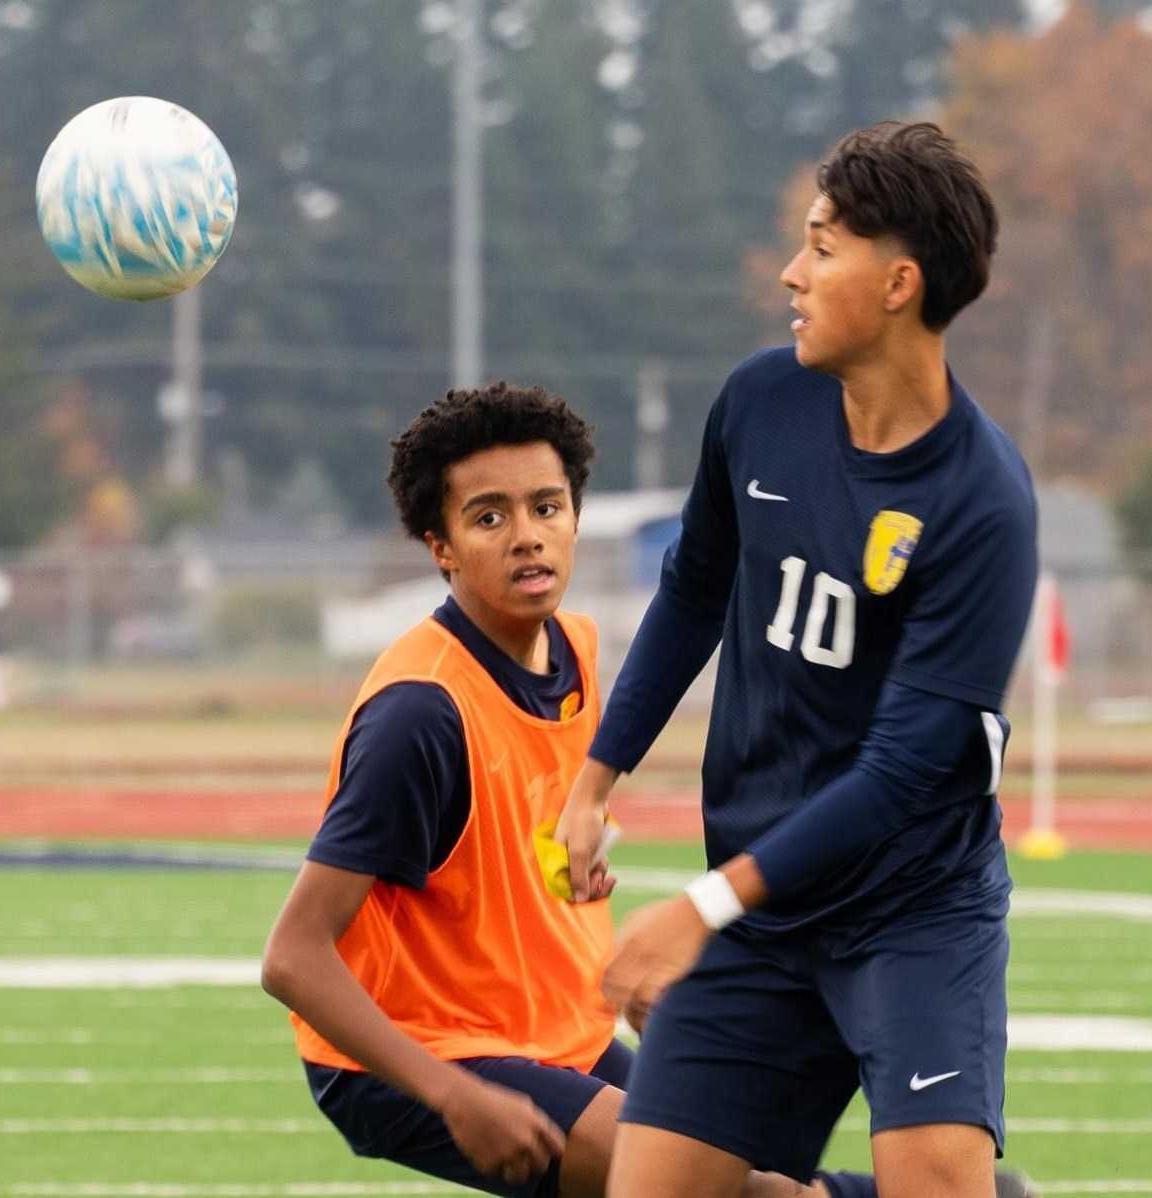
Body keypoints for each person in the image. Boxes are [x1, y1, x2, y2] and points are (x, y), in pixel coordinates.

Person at [260, 383, 932, 1198]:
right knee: (736, 1191)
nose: (526, 537)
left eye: (546, 507)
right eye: (488, 517)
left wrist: (572, 868)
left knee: (751, 1157)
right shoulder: (419, 714)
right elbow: (293, 958)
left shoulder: (571, 649)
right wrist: (456, 1095)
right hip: (417, 1058)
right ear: (440, 546)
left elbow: (505, 835)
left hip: (550, 1032)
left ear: (576, 515)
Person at [556, 121, 1040, 1198]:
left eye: (822, 247)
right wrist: (596, 779)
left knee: (940, 1186)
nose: (791, 271)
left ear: (899, 283)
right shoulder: (759, 402)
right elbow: (693, 593)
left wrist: (700, 906)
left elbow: (904, 770)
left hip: (909, 909)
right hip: (762, 905)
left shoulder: (983, 502)